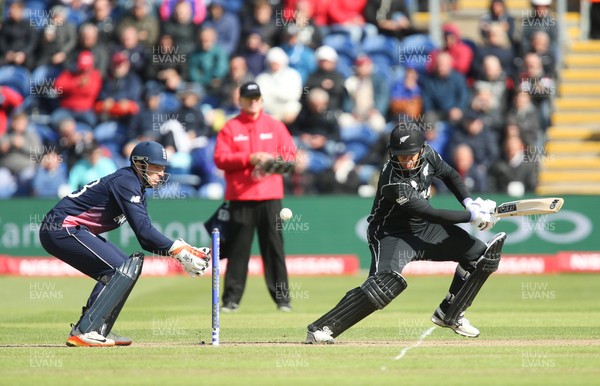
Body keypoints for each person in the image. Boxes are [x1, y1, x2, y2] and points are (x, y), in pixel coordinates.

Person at [305, 124, 506, 344]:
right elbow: (430, 213)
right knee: (382, 287)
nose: (407, 161)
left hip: (423, 229)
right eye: (401, 157)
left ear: (422, 149)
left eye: (411, 155)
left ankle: (450, 313)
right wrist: (471, 217)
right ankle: (321, 328)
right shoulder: (393, 181)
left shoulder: (429, 154)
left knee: (479, 255)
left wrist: (469, 202)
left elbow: (449, 174)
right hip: (391, 234)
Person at [39, 141, 211, 347]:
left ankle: (100, 329)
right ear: (140, 164)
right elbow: (145, 233)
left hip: (71, 229)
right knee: (118, 270)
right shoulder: (126, 181)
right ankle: (86, 330)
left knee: (127, 268)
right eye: (156, 167)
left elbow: (146, 239)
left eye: (163, 169)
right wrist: (180, 251)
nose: (160, 174)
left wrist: (182, 251)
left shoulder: (136, 186)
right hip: (60, 227)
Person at [213, 81, 297, 312]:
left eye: (257, 98)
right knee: (238, 251)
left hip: (270, 196)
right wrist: (247, 158)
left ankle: (283, 300)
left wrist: (272, 161)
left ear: (261, 100)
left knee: (274, 249)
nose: (253, 101)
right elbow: (220, 158)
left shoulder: (275, 125)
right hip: (241, 196)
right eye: (249, 98)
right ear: (239, 100)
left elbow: (290, 155)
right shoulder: (230, 127)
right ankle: (231, 300)